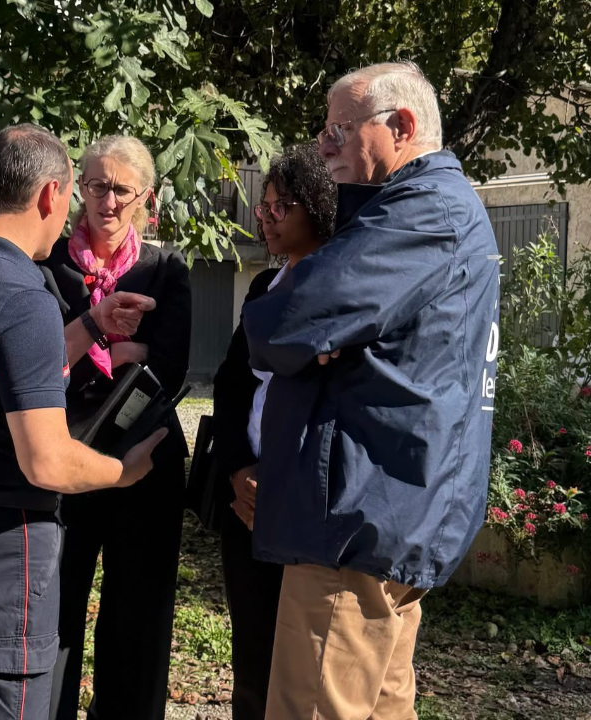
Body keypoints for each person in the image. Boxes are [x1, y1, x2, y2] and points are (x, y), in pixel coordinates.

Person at [242, 62, 501, 720]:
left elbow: (282, 321)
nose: (323, 146)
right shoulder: (418, 210)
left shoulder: (422, 212)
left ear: (402, 126)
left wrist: (303, 332)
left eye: (339, 129)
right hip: (381, 512)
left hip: (355, 521)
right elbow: (308, 327)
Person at [0, 124, 169, 720]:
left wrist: (92, 324)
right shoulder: (24, 297)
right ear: (50, 195)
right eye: (75, 191)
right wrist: (121, 470)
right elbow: (46, 459)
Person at [41, 135, 192, 720]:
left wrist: (96, 346)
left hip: (146, 457)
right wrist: (122, 348)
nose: (106, 199)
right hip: (66, 457)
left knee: (139, 611)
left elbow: (173, 367)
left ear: (144, 198)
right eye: (97, 185)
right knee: (56, 608)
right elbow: (37, 365)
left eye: (121, 189)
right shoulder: (47, 263)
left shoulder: (166, 269)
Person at [210, 143, 338, 720]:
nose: (264, 217)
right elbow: (232, 383)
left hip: (305, 506)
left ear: (316, 208)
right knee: (253, 656)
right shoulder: (265, 288)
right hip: (248, 500)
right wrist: (238, 468)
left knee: (307, 669)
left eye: (279, 206)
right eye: (262, 207)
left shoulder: (341, 289)